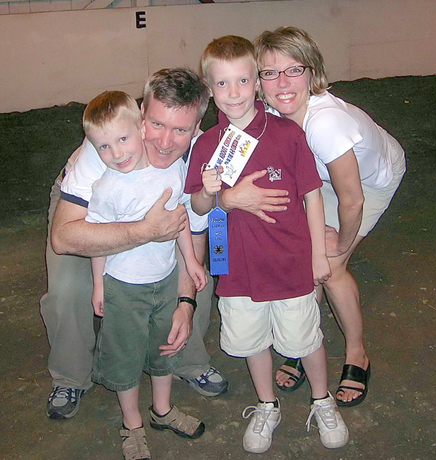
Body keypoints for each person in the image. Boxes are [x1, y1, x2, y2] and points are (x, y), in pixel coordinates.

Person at [186, 35, 349, 454]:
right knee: (251, 340)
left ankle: (322, 398)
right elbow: (201, 208)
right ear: (209, 90)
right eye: (222, 84)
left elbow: (313, 195)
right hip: (238, 267)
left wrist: (317, 255)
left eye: (243, 80)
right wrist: (212, 192)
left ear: (257, 83)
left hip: (291, 262)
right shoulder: (207, 145)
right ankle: (266, 404)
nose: (234, 92)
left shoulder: (286, 134)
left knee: (305, 338)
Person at [40, 68, 229, 422]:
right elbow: (64, 237)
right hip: (89, 214)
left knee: (198, 286)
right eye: (157, 125)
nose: (165, 142)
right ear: (141, 115)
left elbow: (197, 230)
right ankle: (70, 375)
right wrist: (143, 231)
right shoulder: (107, 148)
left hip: (162, 216)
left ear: (197, 126)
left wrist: (185, 302)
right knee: (68, 289)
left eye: (181, 130)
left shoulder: (198, 156)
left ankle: (186, 361)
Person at [254, 26, 406, 406]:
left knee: (331, 266)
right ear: (259, 81)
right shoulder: (275, 108)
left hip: (371, 181)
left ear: (312, 72)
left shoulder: (325, 124)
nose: (282, 82)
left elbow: (351, 200)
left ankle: (357, 354)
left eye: (294, 70)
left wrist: (338, 241)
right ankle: (304, 341)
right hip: (318, 175)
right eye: (270, 73)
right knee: (304, 252)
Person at [83, 90, 207, 459]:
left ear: (139, 128)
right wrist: (97, 285)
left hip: (166, 279)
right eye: (104, 147)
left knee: (164, 345)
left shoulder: (169, 169)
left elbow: (181, 218)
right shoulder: (106, 188)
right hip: (124, 286)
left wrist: (192, 261)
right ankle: (132, 423)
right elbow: (97, 242)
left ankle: (163, 410)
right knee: (124, 354)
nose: (117, 154)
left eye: (122, 140)